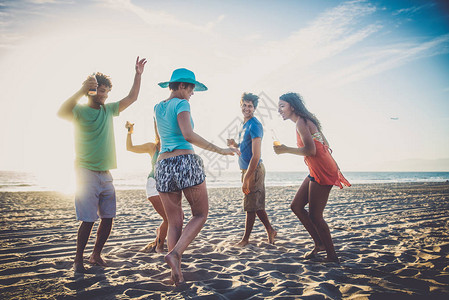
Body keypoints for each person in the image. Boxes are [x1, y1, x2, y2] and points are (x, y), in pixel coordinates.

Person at [57, 57, 147, 273]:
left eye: (106, 91)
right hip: (85, 172)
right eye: (99, 90)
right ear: (90, 91)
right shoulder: (79, 111)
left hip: (106, 173)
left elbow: (132, 97)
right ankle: (78, 260)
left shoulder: (109, 110)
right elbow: (61, 112)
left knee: (108, 218)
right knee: (88, 221)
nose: (103, 95)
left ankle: (95, 254)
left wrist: (138, 74)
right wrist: (81, 90)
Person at [154, 68, 239, 285]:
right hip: (184, 162)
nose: (193, 93)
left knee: (174, 223)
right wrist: (220, 150)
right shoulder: (182, 103)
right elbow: (187, 134)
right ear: (182, 86)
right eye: (192, 88)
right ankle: (175, 254)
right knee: (200, 214)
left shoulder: (158, 107)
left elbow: (162, 138)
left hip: (162, 164)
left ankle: (177, 275)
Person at [273, 92, 350, 263]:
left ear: (292, 106)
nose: (279, 110)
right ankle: (319, 244)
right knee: (296, 206)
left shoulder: (301, 122)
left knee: (316, 216)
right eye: (278, 106)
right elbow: (325, 144)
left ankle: (332, 256)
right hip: (317, 168)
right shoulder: (305, 121)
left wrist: (285, 149)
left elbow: (311, 150)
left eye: (282, 106)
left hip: (323, 170)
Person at [227, 93, 277, 247]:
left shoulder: (255, 125)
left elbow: (256, 156)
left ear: (254, 108)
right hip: (247, 170)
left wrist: (247, 179)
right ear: (240, 105)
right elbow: (246, 148)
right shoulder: (244, 125)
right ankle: (270, 230)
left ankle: (245, 239)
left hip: (253, 170)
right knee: (255, 204)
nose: (246, 108)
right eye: (244, 105)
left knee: (250, 206)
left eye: (250, 106)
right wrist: (235, 144)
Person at [125, 121, 168, 253]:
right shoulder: (152, 147)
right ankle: (159, 246)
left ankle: (159, 237)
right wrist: (129, 132)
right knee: (169, 218)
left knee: (178, 217)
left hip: (168, 186)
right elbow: (130, 148)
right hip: (153, 185)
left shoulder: (173, 146)